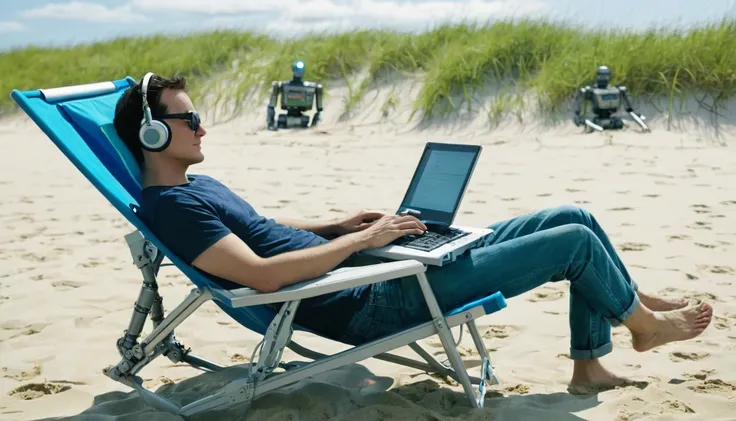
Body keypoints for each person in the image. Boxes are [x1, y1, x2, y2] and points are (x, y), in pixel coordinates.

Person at [113, 73, 713, 392]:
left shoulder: (199, 187)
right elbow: (261, 273)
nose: (201, 125)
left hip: (379, 269)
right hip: (373, 298)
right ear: (153, 135)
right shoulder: (172, 207)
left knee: (572, 217)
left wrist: (341, 223)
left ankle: (592, 361)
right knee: (574, 245)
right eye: (187, 118)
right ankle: (641, 323)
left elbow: (265, 229)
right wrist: (362, 245)